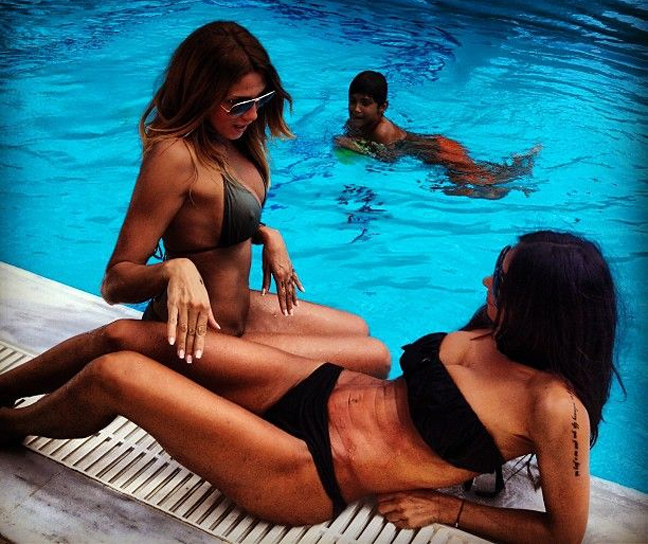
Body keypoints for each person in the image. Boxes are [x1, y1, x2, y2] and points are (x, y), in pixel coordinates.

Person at [0, 231, 621, 543]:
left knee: (117, 377)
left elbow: (564, 534)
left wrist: (448, 509)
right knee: (126, 337)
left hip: (313, 468)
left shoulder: (555, 407)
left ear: (542, 310)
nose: (486, 284)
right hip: (315, 388)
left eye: (502, 283)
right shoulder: (495, 327)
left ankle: (9, 426)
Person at [99, 21, 389, 376]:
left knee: (358, 328)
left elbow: (208, 219)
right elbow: (115, 283)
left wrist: (267, 234)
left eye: (260, 100)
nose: (252, 116)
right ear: (200, 95)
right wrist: (173, 269)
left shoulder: (235, 141)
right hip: (198, 341)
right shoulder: (174, 157)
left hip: (238, 318)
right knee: (375, 357)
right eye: (238, 104)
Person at [334, 70, 541, 199]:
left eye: (365, 103)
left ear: (382, 107)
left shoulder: (383, 132)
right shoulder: (357, 121)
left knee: (479, 185)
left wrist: (357, 147)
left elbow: (389, 158)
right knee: (467, 183)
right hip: (432, 148)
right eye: (352, 101)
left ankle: (519, 173)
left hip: (440, 149)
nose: (356, 109)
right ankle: (516, 171)